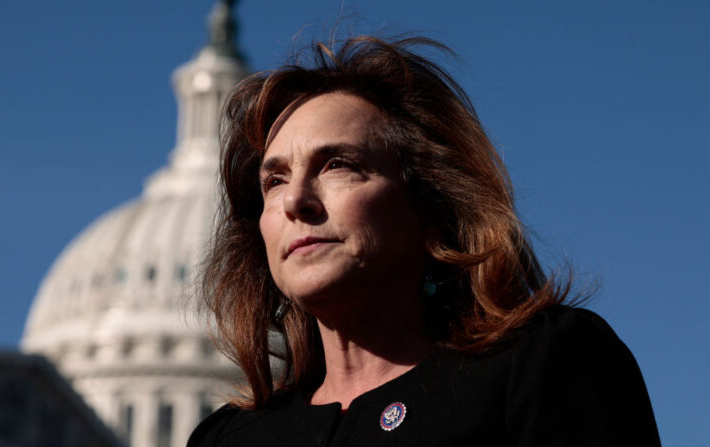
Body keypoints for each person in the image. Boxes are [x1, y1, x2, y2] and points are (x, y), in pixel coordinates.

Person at [189, 35, 660, 446]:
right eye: (273, 181)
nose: (295, 200)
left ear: (432, 205)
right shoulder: (227, 437)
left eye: (338, 165)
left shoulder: (543, 366)